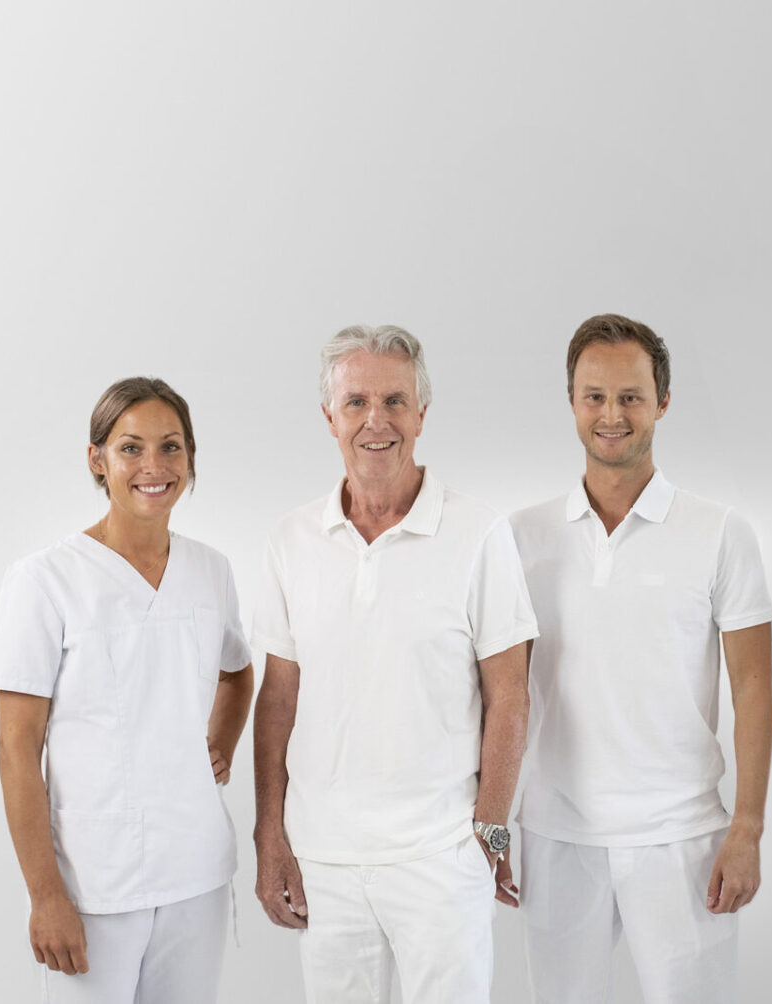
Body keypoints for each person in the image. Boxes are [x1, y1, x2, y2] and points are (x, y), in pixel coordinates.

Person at [251, 325, 537, 1003]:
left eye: (394, 401)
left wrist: (490, 832)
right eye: (355, 403)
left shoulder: (478, 534)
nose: (375, 420)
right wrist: (270, 835)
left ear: (421, 414)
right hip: (324, 859)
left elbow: (510, 696)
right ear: (329, 418)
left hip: (441, 857)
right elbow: (277, 701)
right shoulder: (291, 540)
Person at [508, 314, 772, 1002]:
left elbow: (754, 690)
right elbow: (499, 695)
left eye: (630, 396)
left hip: (683, 836)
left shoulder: (719, 533)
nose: (612, 415)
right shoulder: (521, 538)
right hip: (556, 834)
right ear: (571, 402)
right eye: (594, 396)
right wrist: (488, 817)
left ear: (662, 402)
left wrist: (746, 828)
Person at [0, 377, 257, 1004]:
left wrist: (222, 739)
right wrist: (45, 894)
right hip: (93, 882)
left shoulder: (210, 570)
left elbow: (238, 670)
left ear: (190, 459)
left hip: (196, 873)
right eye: (131, 448)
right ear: (96, 459)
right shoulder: (44, 581)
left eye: (171, 447)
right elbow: (15, 749)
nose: (153, 467)